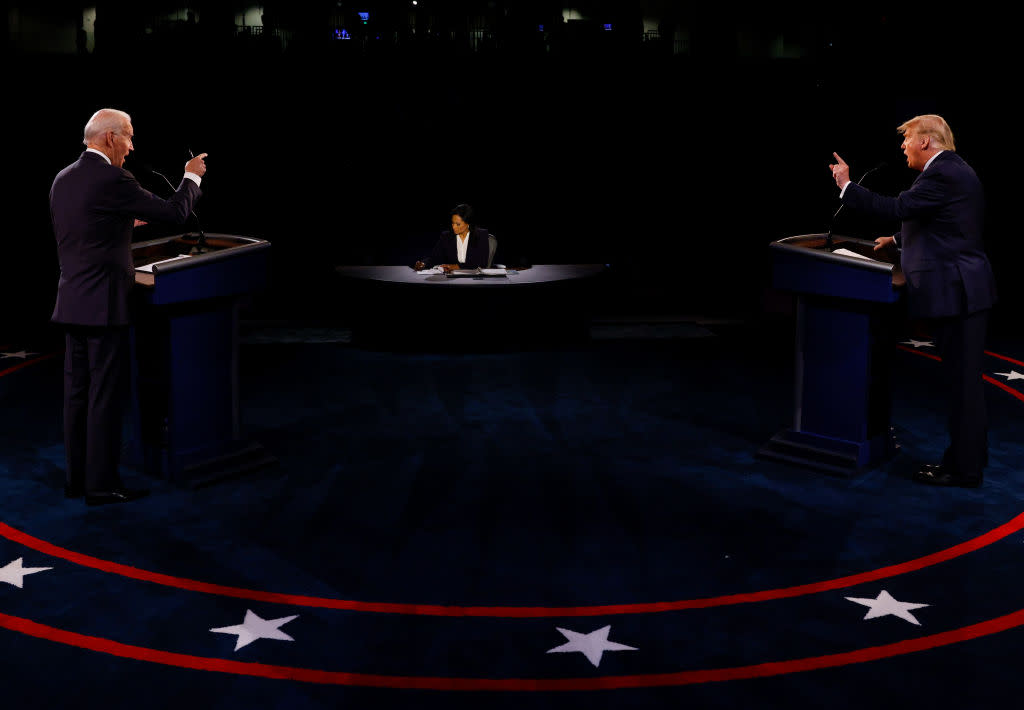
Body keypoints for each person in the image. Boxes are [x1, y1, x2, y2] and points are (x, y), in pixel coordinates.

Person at [50, 108, 208, 505]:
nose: (132, 146)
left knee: (77, 396)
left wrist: (122, 223)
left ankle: (78, 480)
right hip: (104, 306)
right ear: (109, 139)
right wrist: (191, 176)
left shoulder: (63, 178)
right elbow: (176, 212)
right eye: (129, 137)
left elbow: (84, 229)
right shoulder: (113, 177)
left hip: (72, 302)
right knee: (104, 397)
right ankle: (101, 487)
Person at [829, 114, 996, 487]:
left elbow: (898, 208)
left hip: (958, 294)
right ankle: (968, 460)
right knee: (963, 385)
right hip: (962, 291)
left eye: (907, 140)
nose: (903, 146)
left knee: (962, 386)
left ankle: (963, 470)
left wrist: (847, 186)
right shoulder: (952, 171)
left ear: (926, 141)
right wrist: (898, 241)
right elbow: (944, 224)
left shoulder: (943, 172)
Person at [413, 203, 492, 271]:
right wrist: (423, 264)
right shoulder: (446, 236)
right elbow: (435, 257)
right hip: (451, 279)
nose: (454, 227)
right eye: (452, 223)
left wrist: (457, 266)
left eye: (458, 224)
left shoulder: (481, 235)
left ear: (468, 223)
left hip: (474, 279)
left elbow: (482, 262)